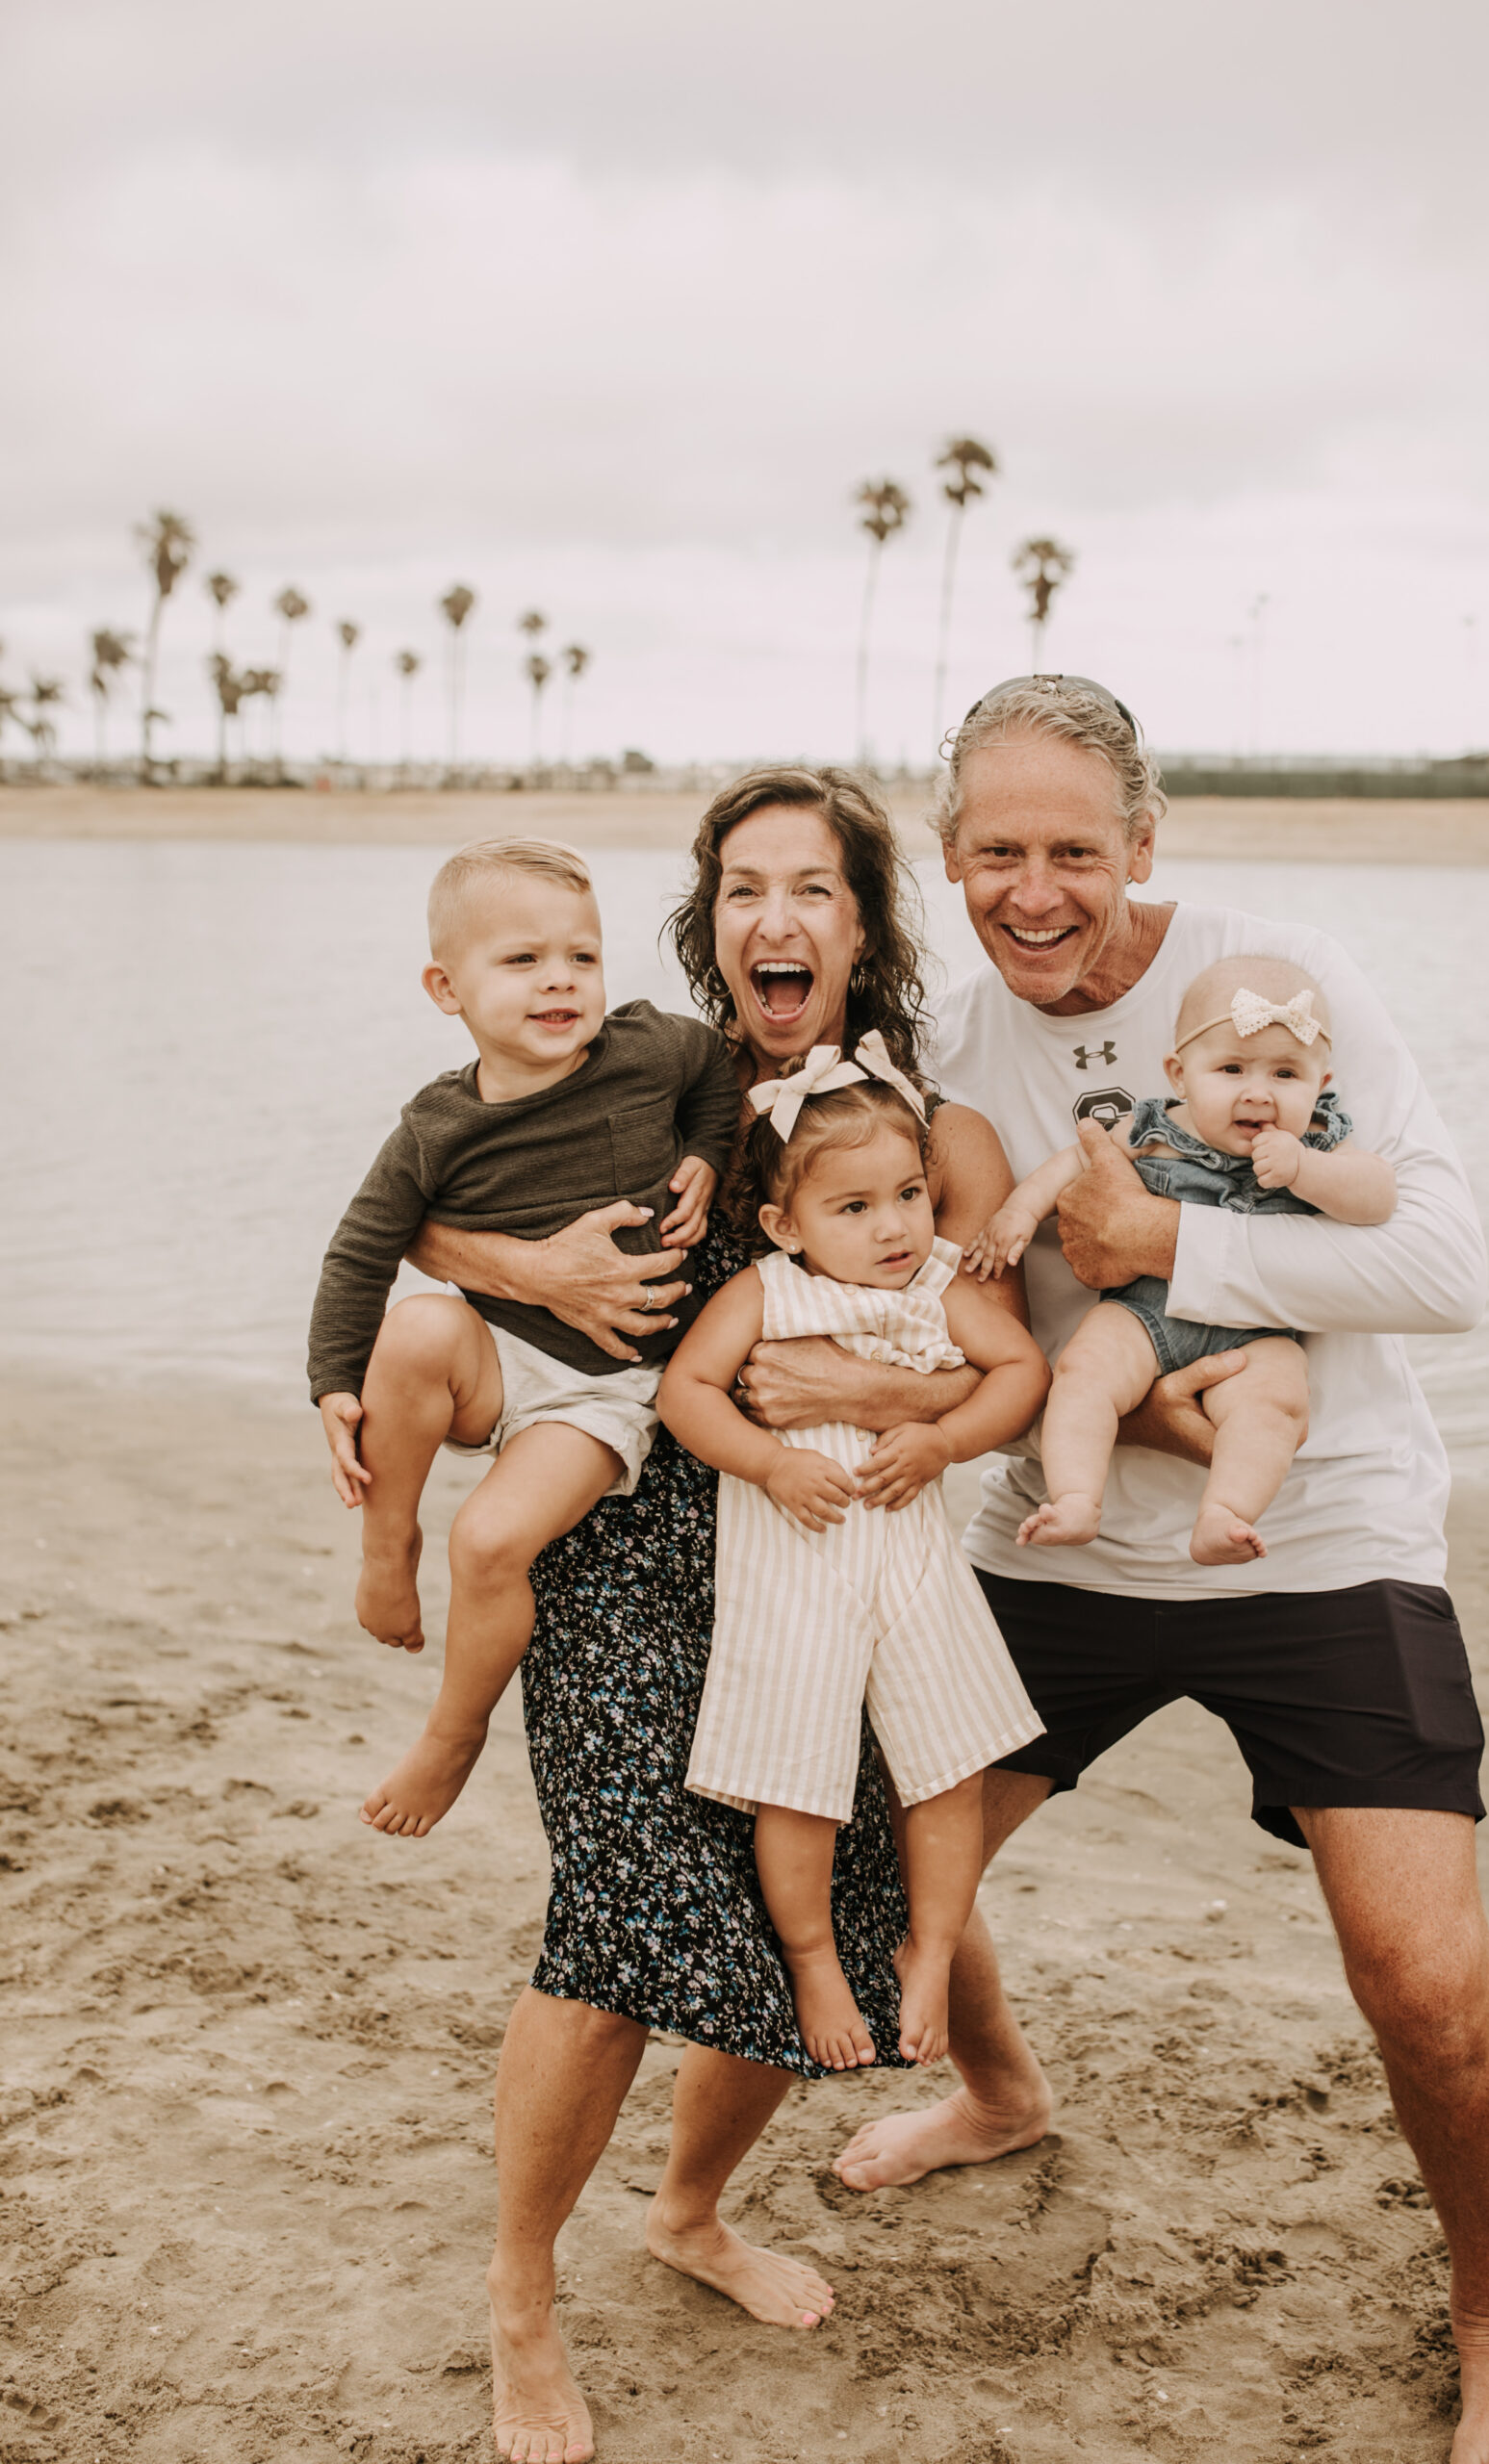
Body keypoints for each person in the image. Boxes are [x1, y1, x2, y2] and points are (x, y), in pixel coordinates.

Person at [830, 677, 1489, 2464]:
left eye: (1071, 850)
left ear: (1139, 848)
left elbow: (1448, 1266)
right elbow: (949, 1296)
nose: (1032, 889)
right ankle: (1000, 2095)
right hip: (1062, 1533)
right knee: (871, 1865)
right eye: (993, 851)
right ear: (945, 862)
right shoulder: (942, 1041)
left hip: (1322, 1535)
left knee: (1417, 1975)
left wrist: (1164, 1240)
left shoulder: (1277, 976)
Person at [319, 768, 1042, 2464]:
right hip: (632, 1544)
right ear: (706, 918)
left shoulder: (931, 1136)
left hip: (826, 1567)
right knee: (620, 1917)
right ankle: (520, 2298)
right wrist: (530, 1276)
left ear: (867, 923)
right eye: (740, 888)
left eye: (811, 888)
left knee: (826, 1909)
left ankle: (689, 2211)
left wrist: (856, 1385)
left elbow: (1024, 1357)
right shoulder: (657, 1072)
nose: (772, 919)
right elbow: (418, 1193)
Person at [307, 834, 740, 1838]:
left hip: (606, 1390)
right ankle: (385, 1544)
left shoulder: (646, 1050)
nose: (560, 981)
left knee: (493, 1538)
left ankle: (454, 1734)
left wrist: (709, 1156)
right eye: (522, 961)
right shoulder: (435, 1127)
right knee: (415, 1329)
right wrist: (333, 1383)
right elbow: (358, 1253)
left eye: (581, 957)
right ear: (445, 986)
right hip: (497, 1357)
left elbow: (716, 1069)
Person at [660, 1044, 1048, 2070]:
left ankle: (928, 1943)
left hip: (916, 1570)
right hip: (796, 1572)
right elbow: (685, 1393)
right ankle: (815, 1954)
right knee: (798, 1779)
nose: (893, 1225)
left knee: (949, 1763)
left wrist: (947, 1439)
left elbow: (1021, 1369)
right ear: (788, 1225)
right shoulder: (762, 1293)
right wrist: (766, 1462)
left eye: (911, 1194)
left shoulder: (936, 1283)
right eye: (856, 1207)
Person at [968, 953, 1396, 1562]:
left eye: (1285, 1075)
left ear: (1320, 1086)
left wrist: (1309, 1171)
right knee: (1084, 1372)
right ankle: (1074, 1498)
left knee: (1276, 1404)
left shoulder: (1322, 1141)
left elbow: (1378, 1195)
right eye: (1231, 1068)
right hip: (1144, 1313)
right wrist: (1018, 1211)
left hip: (1257, 1333)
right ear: (1180, 1075)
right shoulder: (1153, 1128)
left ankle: (1225, 1513)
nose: (1258, 1093)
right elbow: (1072, 1164)